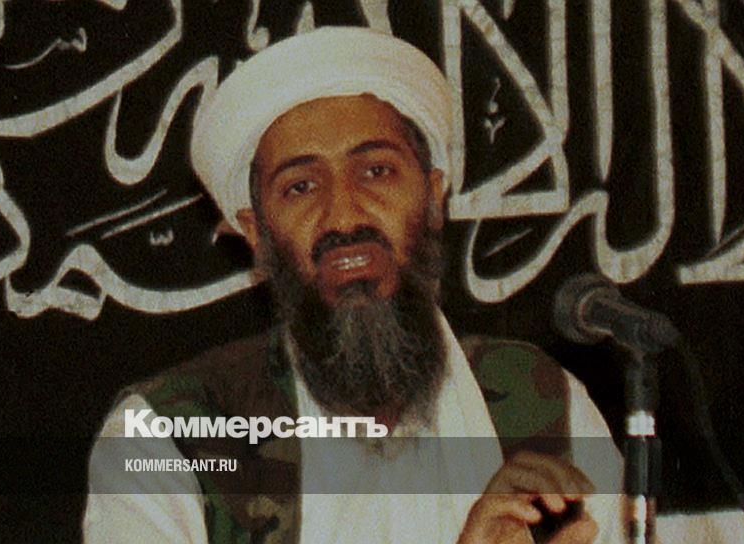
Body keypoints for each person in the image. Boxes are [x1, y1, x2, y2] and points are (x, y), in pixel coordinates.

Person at [83, 26, 625, 544]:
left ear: (433, 198)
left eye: (376, 172)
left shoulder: (544, 403)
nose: (343, 216)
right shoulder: (163, 438)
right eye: (301, 187)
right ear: (257, 234)